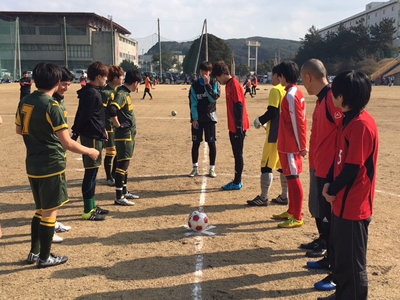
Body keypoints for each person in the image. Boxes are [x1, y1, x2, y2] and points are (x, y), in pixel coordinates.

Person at [15, 62, 100, 268]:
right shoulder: (51, 105)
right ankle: (45, 257)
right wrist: (90, 150)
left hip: (33, 163)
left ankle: (35, 253)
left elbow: (19, 130)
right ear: (55, 81)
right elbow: (67, 142)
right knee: (50, 211)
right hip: (51, 163)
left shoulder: (25, 101)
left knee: (40, 209)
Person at [319, 71, 378, 300]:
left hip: (354, 206)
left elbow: (353, 168)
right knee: (342, 257)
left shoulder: (362, 124)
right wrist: (330, 185)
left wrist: (331, 190)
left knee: (354, 262)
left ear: (342, 97)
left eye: (334, 93)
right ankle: (341, 293)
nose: (332, 96)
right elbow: (341, 160)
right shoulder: (348, 119)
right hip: (342, 203)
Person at [300, 59, 344, 292]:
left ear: (308, 77)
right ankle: (328, 258)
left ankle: (335, 269)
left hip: (328, 168)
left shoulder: (331, 100)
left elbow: (343, 132)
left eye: (302, 80)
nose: (303, 85)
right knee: (322, 213)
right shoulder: (322, 100)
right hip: (319, 165)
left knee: (331, 219)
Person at [72, 61, 109, 221]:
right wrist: (76, 132)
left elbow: (94, 115)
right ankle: (88, 210)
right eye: (105, 77)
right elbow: (84, 116)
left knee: (93, 172)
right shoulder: (92, 93)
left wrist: (104, 129)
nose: (106, 80)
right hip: (91, 136)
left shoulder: (93, 91)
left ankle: (92, 205)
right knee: (91, 173)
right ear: (98, 76)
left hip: (96, 134)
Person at [272, 61, 307, 228]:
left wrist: (301, 146)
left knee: (294, 180)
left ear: (283, 76)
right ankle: (291, 210)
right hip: (286, 144)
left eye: (279, 75)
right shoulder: (292, 93)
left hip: (291, 146)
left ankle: (298, 215)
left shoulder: (292, 95)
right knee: (289, 178)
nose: (278, 78)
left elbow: (297, 122)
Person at [248, 65, 289, 206]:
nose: (272, 78)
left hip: (274, 135)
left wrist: (259, 120)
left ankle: (264, 197)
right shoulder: (287, 89)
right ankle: (284, 196)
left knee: (266, 165)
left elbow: (272, 111)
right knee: (283, 165)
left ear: (278, 76)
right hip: (284, 134)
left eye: (273, 75)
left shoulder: (276, 90)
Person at [212, 61, 250, 190]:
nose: (217, 80)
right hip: (233, 126)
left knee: (238, 153)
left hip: (238, 127)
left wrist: (239, 127)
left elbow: (239, 106)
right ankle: (237, 180)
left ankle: (237, 181)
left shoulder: (234, 85)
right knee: (236, 153)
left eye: (217, 77)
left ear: (223, 74)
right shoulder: (228, 85)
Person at [107, 69, 142, 206]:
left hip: (129, 136)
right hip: (124, 136)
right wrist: (119, 125)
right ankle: (118, 196)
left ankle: (125, 191)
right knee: (123, 165)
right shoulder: (122, 94)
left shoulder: (125, 93)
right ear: (135, 83)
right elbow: (112, 109)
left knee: (125, 164)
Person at [51, 67, 75, 243]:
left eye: (68, 84)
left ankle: (53, 222)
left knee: (58, 192)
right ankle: (48, 228)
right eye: (63, 84)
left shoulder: (60, 99)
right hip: (52, 153)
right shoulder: (51, 102)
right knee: (51, 195)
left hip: (60, 152)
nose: (66, 88)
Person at [188, 61, 221, 178]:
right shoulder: (195, 86)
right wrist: (194, 119)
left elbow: (213, 98)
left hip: (210, 118)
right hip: (198, 119)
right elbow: (193, 103)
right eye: (202, 71)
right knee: (196, 143)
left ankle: (212, 168)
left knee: (211, 143)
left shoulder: (215, 83)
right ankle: (195, 168)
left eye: (206, 71)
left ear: (210, 72)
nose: (204, 73)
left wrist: (207, 85)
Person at [101, 65, 125, 187]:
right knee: (111, 152)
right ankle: (109, 177)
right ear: (115, 78)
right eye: (121, 77)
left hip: (117, 126)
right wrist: (105, 128)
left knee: (119, 151)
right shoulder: (105, 92)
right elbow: (102, 112)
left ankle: (115, 174)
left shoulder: (119, 91)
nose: (123, 79)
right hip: (109, 127)